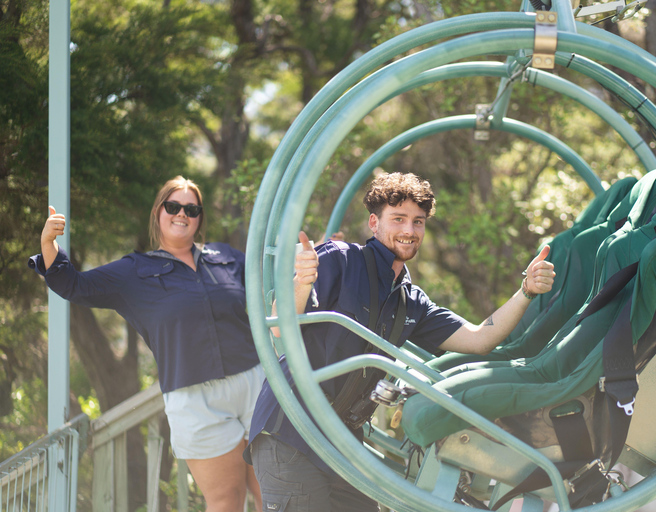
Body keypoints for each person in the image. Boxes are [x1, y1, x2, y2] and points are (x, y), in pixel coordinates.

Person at [245, 172, 556, 512]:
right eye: (399, 219)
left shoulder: (411, 300)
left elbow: (480, 339)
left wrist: (526, 290)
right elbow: (280, 326)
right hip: (294, 430)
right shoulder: (340, 258)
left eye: (418, 222)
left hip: (341, 438)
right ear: (374, 222)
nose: (409, 230)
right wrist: (302, 281)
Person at [30, 176, 263, 512]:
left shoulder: (226, 256)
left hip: (255, 386)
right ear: (159, 212)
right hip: (197, 402)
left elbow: (269, 289)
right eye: (173, 206)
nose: (181, 213)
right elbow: (74, 285)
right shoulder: (133, 272)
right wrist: (49, 243)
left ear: (199, 218)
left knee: (273, 495)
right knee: (226, 502)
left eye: (191, 208)